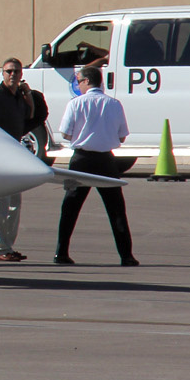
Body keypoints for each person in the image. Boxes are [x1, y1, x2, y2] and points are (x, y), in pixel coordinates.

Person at [54, 65, 135, 266]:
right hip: (106, 160)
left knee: (70, 207)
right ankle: (126, 255)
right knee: (116, 208)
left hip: (81, 160)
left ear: (87, 81)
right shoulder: (114, 104)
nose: (78, 85)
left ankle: (61, 252)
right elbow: (122, 136)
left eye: (79, 81)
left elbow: (65, 133)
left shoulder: (75, 103)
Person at [0, 58, 46, 262]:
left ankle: (7, 246)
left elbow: (29, 116)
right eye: (9, 71)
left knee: (14, 204)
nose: (12, 75)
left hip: (14, 153)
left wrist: (29, 97)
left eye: (16, 71)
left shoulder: (19, 97)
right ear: (3, 73)